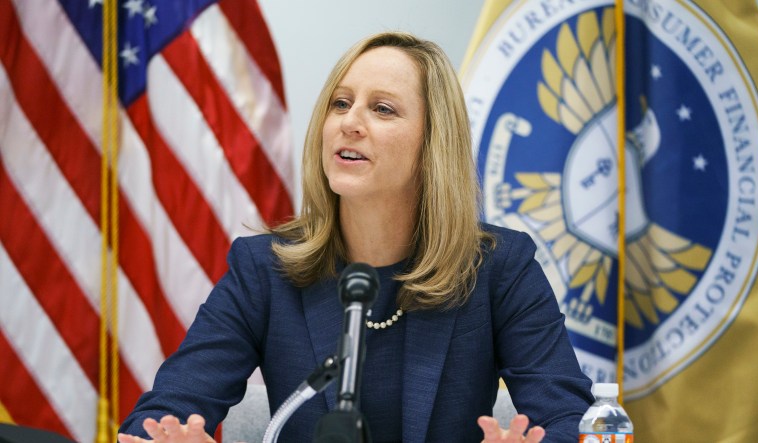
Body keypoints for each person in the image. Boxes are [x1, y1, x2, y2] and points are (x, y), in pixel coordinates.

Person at [117, 31, 594, 443]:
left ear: (433, 146)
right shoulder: (264, 268)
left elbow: (569, 417)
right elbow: (165, 411)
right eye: (340, 104)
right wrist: (165, 434)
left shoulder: (498, 268)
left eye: (383, 109)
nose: (350, 122)